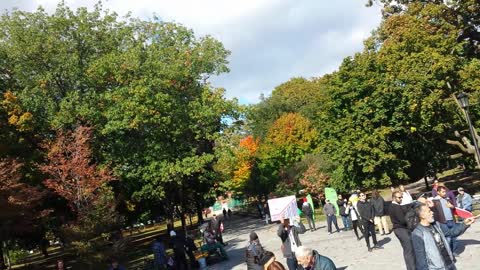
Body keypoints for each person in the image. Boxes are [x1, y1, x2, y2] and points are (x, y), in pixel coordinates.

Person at [412, 203, 475, 270]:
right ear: (422, 215)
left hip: (450, 264)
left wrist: (465, 224)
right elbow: (421, 259)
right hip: (436, 268)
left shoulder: (437, 224)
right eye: (429, 211)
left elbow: (452, 232)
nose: (432, 212)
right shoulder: (417, 233)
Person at [389, 191, 415, 270]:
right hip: (401, 229)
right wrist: (409, 217)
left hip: (399, 230)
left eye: (401, 197)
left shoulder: (394, 206)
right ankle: (412, 268)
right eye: (399, 197)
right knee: (409, 250)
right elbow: (403, 221)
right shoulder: (395, 207)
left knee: (407, 250)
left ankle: (410, 267)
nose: (401, 199)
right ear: (394, 198)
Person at [435, 185, 458, 256]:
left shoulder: (447, 199)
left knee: (454, 237)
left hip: (451, 220)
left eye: (445, 191)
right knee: (448, 238)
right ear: (438, 192)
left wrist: (452, 207)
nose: (445, 193)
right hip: (443, 222)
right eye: (443, 192)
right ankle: (449, 253)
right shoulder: (435, 201)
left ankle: (453, 251)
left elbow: (453, 207)